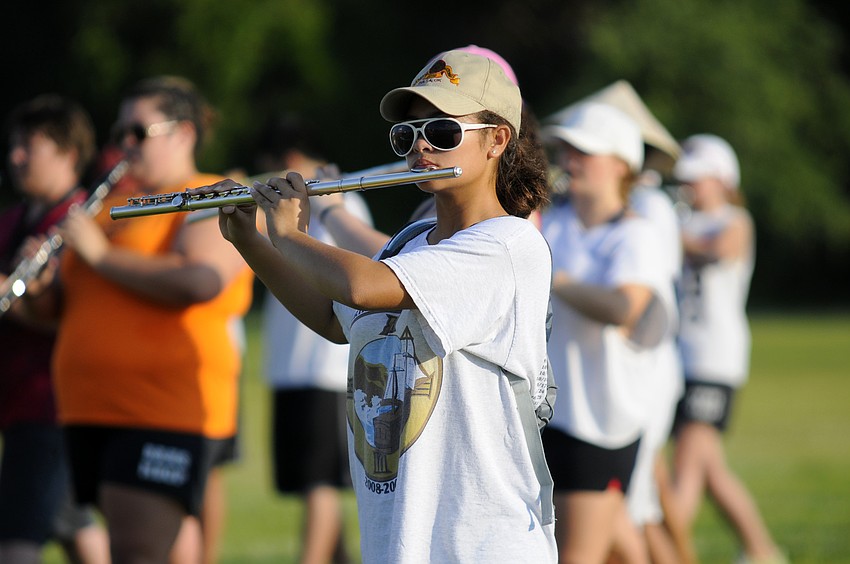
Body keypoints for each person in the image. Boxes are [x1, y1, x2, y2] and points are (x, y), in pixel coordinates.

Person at [196, 49, 557, 562]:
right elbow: (333, 318)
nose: (422, 147)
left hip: (481, 540)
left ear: (498, 139)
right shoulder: (411, 240)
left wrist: (286, 233)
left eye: (443, 131)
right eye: (407, 136)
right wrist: (249, 240)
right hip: (401, 534)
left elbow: (365, 286)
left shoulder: (507, 244)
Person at [44, 76, 253, 563]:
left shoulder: (212, 193)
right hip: (89, 407)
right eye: (119, 133)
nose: (123, 144)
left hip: (162, 408)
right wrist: (39, 289)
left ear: (182, 133)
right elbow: (67, 307)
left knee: (136, 552)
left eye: (137, 132)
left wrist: (98, 256)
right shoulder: (109, 206)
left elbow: (199, 281)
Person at [540, 102, 675, 564]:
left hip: (602, 425)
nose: (569, 160)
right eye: (566, 149)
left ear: (622, 165)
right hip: (552, 415)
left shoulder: (636, 236)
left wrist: (552, 276)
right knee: (618, 548)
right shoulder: (554, 222)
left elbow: (623, 309)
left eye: (585, 151)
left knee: (574, 556)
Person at [255, 115, 372, 564]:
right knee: (313, 482)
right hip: (293, 367)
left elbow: (349, 274)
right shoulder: (297, 199)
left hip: (324, 368)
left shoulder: (340, 204)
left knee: (320, 484)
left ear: (286, 160)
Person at [0, 94, 110, 564]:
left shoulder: (86, 221)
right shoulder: (13, 219)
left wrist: (12, 295)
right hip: (20, 397)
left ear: (68, 153)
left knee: (15, 539)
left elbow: (75, 316)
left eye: (30, 145)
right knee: (73, 524)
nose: (15, 157)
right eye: (14, 144)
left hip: (53, 403)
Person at [671, 134, 786, 564]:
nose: (689, 187)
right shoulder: (679, 220)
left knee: (687, 465)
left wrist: (667, 232)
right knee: (710, 470)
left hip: (715, 358)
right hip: (682, 357)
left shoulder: (734, 219)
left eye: (698, 179)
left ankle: (663, 552)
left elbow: (719, 250)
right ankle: (762, 551)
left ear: (721, 179)